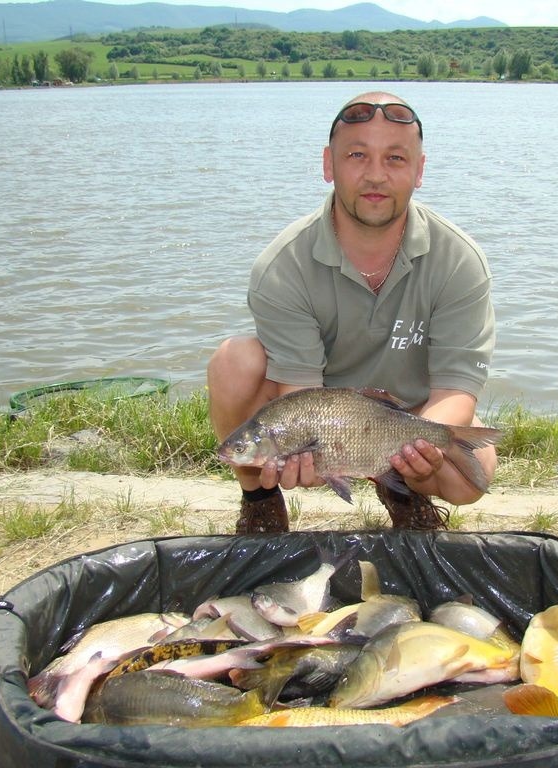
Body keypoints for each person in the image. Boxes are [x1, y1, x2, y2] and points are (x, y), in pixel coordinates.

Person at [206, 91, 496, 533]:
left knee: (473, 475)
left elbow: (458, 390)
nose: (375, 175)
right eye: (357, 155)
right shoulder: (282, 265)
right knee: (233, 362)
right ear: (329, 164)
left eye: (395, 158)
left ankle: (403, 490)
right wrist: (302, 456)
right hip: (323, 410)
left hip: (409, 410)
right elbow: (298, 396)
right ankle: (260, 499)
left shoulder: (460, 260)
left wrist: (414, 448)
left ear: (419, 171)